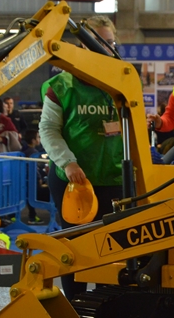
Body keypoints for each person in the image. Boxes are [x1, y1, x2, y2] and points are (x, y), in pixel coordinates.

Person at [39, 15, 123, 298]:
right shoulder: (61, 85)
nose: (104, 50)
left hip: (113, 177)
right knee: (74, 246)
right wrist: (68, 162)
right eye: (96, 43)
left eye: (109, 43)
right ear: (81, 47)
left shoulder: (120, 83)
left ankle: (106, 306)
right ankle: (75, 304)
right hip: (74, 180)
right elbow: (48, 130)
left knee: (110, 246)